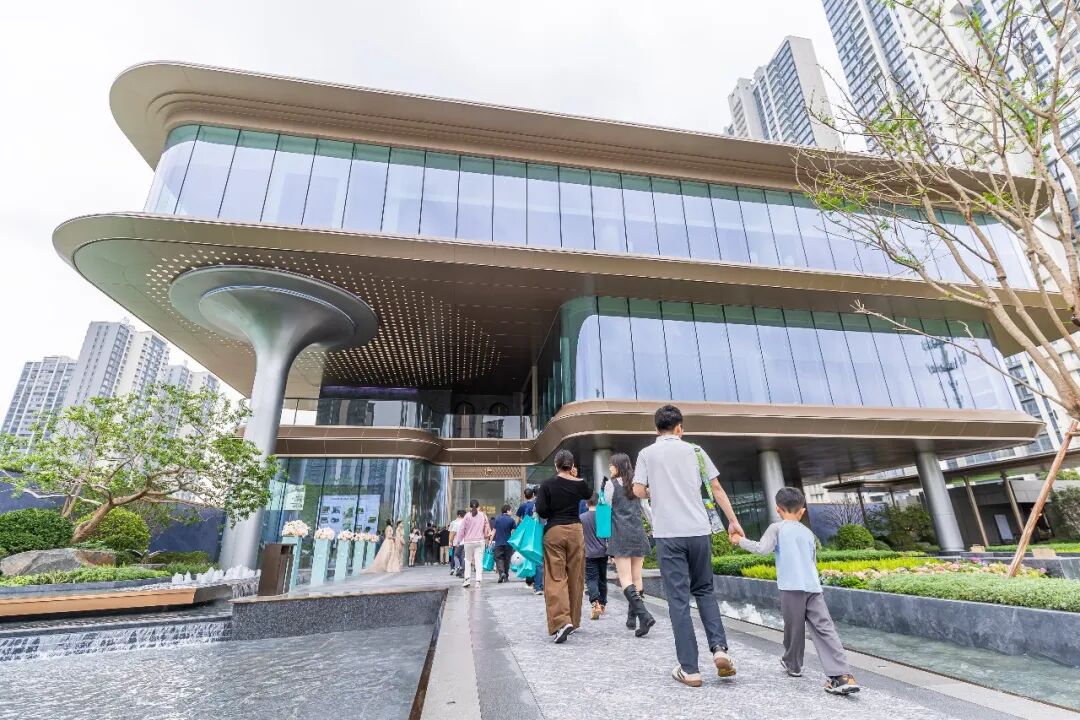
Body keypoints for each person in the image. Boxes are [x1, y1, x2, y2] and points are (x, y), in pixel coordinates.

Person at [633, 404, 743, 687]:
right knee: (705, 590)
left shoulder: (646, 453)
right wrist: (732, 521)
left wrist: (654, 490)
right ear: (679, 427)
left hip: (668, 535)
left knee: (678, 600)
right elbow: (716, 488)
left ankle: (690, 669)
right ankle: (719, 649)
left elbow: (637, 490)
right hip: (698, 532)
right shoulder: (695, 450)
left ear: (657, 429)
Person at [732, 487, 861, 696]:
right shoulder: (808, 532)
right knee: (825, 629)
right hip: (813, 588)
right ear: (802, 511)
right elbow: (812, 561)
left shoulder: (777, 528)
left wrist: (740, 541)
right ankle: (842, 676)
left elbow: (762, 549)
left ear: (778, 509)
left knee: (794, 629)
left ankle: (793, 665)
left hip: (791, 588)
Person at [536, 448, 591, 644]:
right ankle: (573, 621)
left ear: (556, 465)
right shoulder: (579, 483)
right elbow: (588, 494)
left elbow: (542, 511)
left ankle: (561, 621)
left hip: (555, 531)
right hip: (576, 531)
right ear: (572, 465)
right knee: (576, 576)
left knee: (555, 577)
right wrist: (575, 477)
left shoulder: (547, 484)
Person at [607, 451, 655, 636]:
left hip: (620, 534)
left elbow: (606, 510)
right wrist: (655, 528)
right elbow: (646, 509)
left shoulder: (610, 485)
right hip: (638, 533)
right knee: (637, 578)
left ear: (618, 466)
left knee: (625, 579)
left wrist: (604, 537)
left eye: (611, 464)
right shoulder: (637, 485)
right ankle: (632, 618)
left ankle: (644, 616)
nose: (610, 467)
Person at [579, 494, 608, 620]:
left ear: (586, 504)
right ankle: (602, 603)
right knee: (602, 579)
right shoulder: (604, 516)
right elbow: (608, 536)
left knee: (591, 579)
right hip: (603, 552)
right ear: (598, 502)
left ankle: (595, 603)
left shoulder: (581, 518)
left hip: (588, 553)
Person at [457, 499, 491, 588]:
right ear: (479, 506)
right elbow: (487, 528)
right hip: (480, 541)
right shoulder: (483, 515)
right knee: (478, 561)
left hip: (468, 542)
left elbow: (462, 529)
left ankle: (467, 579)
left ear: (470, 507)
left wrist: (458, 541)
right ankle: (478, 582)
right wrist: (486, 537)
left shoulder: (467, 516)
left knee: (468, 560)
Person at [516, 488, 543, 595]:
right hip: (544, 533)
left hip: (532, 535)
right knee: (541, 560)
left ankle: (535, 584)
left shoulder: (529, 505)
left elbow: (524, 520)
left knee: (533, 559)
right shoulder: (544, 503)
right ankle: (540, 585)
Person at [490, 504, 517, 583]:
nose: (511, 512)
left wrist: (490, 540)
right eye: (511, 510)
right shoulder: (511, 520)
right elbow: (513, 533)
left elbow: (494, 531)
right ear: (507, 511)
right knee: (507, 560)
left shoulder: (497, 519)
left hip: (498, 543)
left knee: (499, 559)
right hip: (508, 543)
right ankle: (506, 577)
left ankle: (501, 573)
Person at [448, 510, 465, 575]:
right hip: (464, 542)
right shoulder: (466, 522)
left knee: (455, 555)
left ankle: (454, 568)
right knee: (462, 556)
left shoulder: (454, 522)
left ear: (458, 515)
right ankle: (461, 567)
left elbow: (451, 533)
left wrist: (450, 542)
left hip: (456, 542)